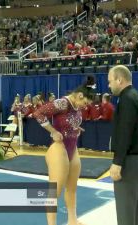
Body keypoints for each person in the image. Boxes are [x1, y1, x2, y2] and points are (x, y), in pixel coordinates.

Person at [33, 81, 94, 225]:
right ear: (79, 95)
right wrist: (53, 131)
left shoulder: (75, 105)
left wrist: (75, 128)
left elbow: (69, 121)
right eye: (84, 103)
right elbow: (38, 113)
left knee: (72, 188)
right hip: (59, 148)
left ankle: (72, 220)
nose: (85, 107)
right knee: (55, 191)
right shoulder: (62, 103)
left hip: (72, 148)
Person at [107, 65, 138, 225]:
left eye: (110, 81)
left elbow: (125, 132)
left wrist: (117, 162)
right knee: (136, 206)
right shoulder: (136, 96)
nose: (109, 85)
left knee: (125, 209)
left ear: (120, 79)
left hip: (129, 161)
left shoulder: (127, 99)